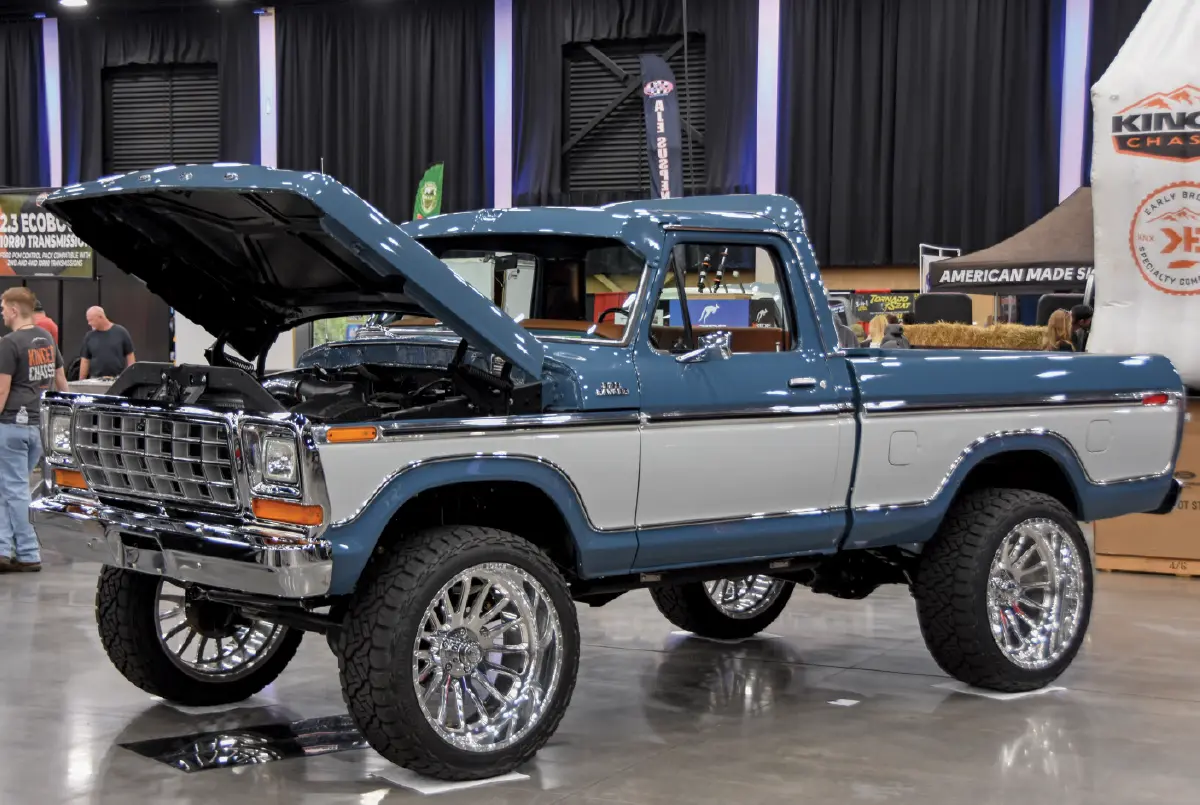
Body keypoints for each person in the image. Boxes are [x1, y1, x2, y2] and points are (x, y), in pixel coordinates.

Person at [0, 287, 68, 573]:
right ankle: (3, 550)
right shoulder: (47, 340)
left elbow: (2, 390)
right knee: (8, 488)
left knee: (15, 490)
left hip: (11, 425)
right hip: (37, 427)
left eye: (3, 307)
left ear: (14, 310)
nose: (2, 313)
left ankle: (28, 553)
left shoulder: (9, 343)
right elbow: (62, 383)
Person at [80, 306, 135, 379]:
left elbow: (130, 355)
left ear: (101, 317)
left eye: (91, 320)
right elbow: (85, 361)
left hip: (117, 379)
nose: (89, 323)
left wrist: (130, 377)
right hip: (95, 380)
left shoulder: (121, 332)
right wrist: (81, 380)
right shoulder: (89, 336)